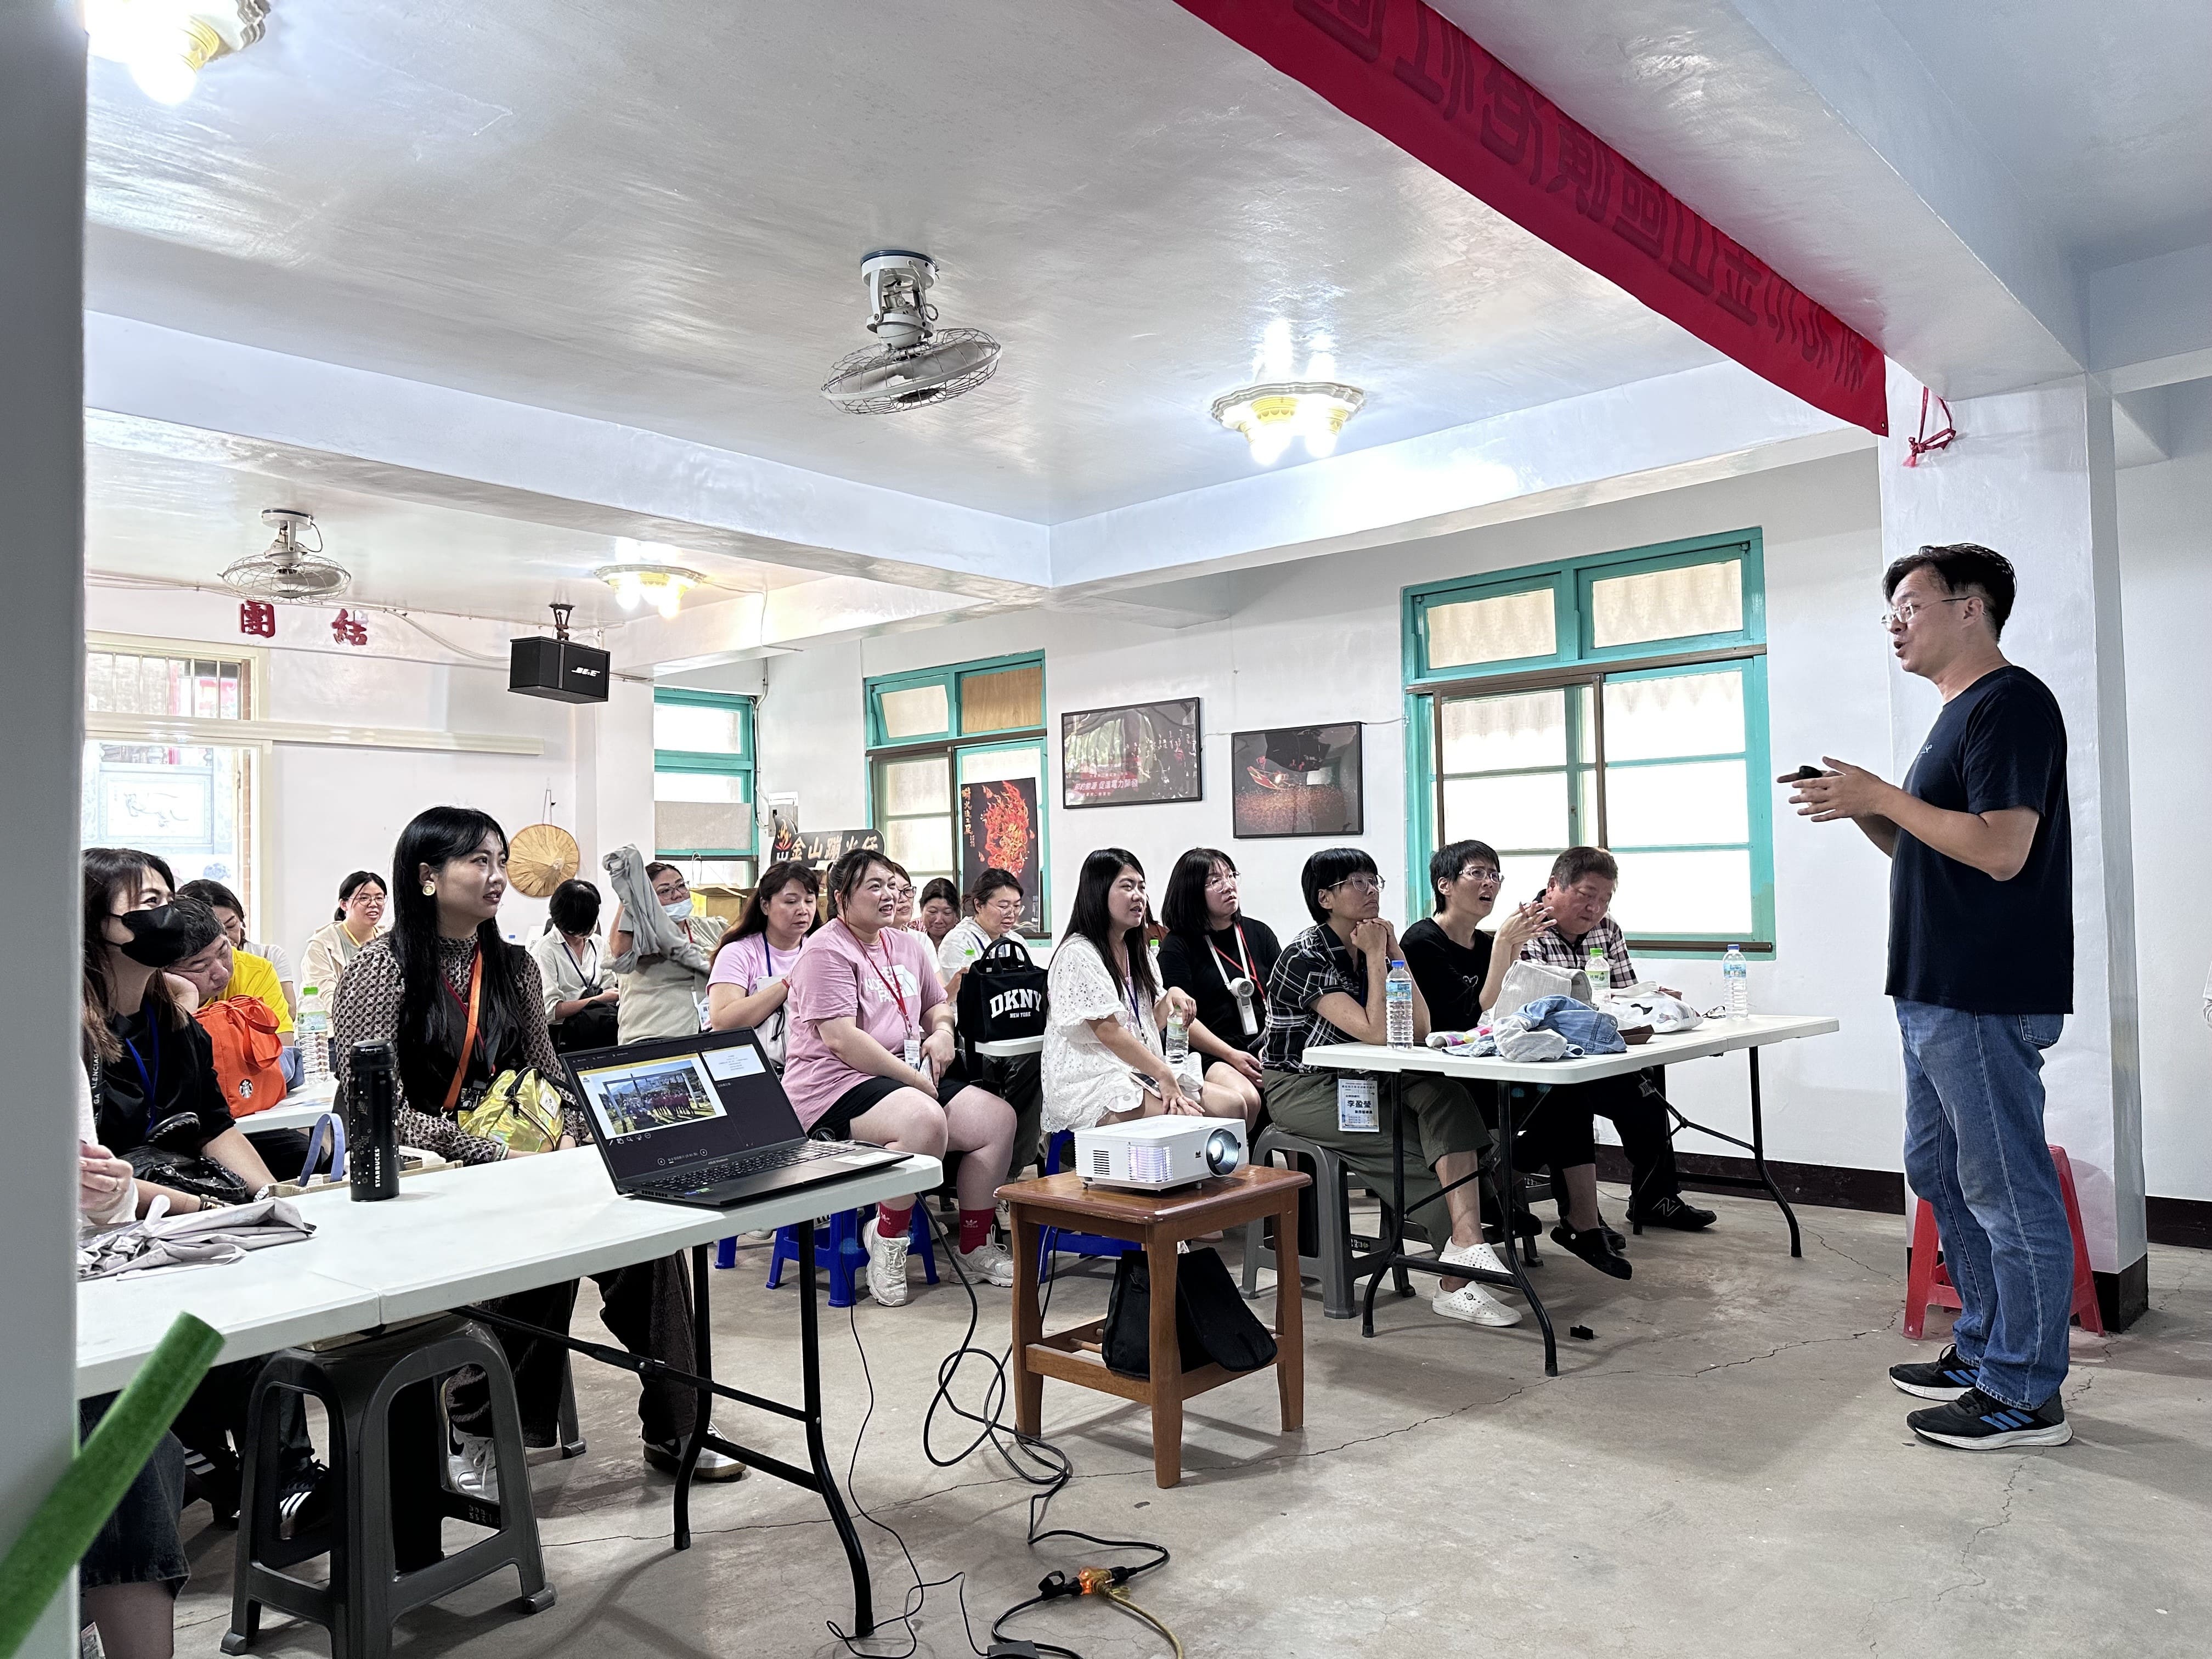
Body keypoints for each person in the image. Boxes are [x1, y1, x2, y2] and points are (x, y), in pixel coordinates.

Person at [331, 808, 738, 1485]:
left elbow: (549, 1073)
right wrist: (492, 1157)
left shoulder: (514, 966)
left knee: (648, 1240)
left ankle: (679, 1422)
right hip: (429, 1179)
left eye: (500, 861)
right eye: (479, 862)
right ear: (428, 876)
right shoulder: (380, 970)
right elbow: (380, 1112)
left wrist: (578, 1131)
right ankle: (480, 1426)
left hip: (526, 1163)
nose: (497, 877)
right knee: (537, 1248)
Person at [1788, 543, 2076, 1450]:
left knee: (2006, 1187)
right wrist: (1868, 809)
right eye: (1891, 612)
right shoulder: (1954, 717)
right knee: (1940, 1172)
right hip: (1931, 986)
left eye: (1910, 605)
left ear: (1971, 607)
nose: (1895, 625)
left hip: (1983, 988)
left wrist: (1883, 792)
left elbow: (2001, 850)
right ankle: (1985, 1346)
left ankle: (2025, 1393)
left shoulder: (2010, 702)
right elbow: (1932, 849)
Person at [1259, 848, 1520, 1326]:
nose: (1371, 890)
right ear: (1325, 898)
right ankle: (1456, 1281)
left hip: (1367, 1076)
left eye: (1373, 880)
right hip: (1303, 1087)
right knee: (1413, 1158)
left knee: (1447, 1094)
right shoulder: (1305, 955)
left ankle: (1466, 1245)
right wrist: (1378, 957)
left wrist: (1395, 952)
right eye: (1356, 882)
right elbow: (1377, 1031)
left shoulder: (1375, 942)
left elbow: (1418, 1028)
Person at [783, 847, 1020, 1305]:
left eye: (893, 886)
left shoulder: (907, 944)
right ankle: (888, 1238)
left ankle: (974, 1244)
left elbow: (936, 1005)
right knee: (924, 1121)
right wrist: (914, 1082)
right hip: (833, 1086)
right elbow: (842, 1040)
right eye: (875, 886)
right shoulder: (825, 951)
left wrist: (944, 1033)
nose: (889, 895)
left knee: (997, 1120)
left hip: (904, 1076)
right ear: (841, 897)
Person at [1402, 840, 1627, 1275]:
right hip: (1446, 1079)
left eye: (1495, 875)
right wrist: (1504, 945)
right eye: (1477, 873)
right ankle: (1493, 1192)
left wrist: (1506, 950)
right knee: (1556, 1105)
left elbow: (1507, 1012)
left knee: (1570, 1097)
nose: (1489, 883)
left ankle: (1580, 1223)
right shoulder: (1423, 941)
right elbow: (1470, 1016)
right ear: (1445, 885)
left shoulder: (1485, 943)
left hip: (1488, 1068)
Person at [1519, 847, 1717, 1235]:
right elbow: (1538, 1007)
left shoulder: (1607, 929)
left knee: (1648, 1094)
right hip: (1550, 1062)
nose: (1595, 908)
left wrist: (1652, 999)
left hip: (1600, 1053)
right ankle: (1580, 1218)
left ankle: (1655, 1199)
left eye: (1605, 899)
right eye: (1586, 895)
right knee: (1569, 1105)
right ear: (1554, 886)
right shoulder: (1527, 928)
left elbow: (1624, 995)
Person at [81, 848, 279, 1208]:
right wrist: (202, 1208)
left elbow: (215, 1128)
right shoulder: (68, 1039)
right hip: (113, 1223)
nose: (169, 915)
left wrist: (274, 1197)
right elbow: (86, 1176)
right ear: (95, 922)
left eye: (169, 900)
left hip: (188, 1210)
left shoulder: (180, 1027)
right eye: (151, 901)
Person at [1044, 850, 1260, 1138]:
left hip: (1139, 1069)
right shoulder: (1078, 953)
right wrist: (1163, 1073)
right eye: (1127, 886)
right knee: (1194, 1122)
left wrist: (1170, 999)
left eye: (1142, 887)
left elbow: (1149, 1022)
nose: (1139, 896)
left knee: (1235, 1106)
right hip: (1096, 1078)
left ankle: (1231, 1169)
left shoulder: (1137, 951)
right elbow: (1108, 1031)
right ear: (1098, 892)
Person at [1155, 847, 1276, 1126]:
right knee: (1248, 1097)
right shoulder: (1178, 946)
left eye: (1231, 875)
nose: (1229, 886)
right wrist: (1231, 1055)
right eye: (1215, 881)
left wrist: (1273, 1046)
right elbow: (1180, 1018)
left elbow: (1280, 999)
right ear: (1191, 892)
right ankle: (1240, 1155)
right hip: (1210, 1052)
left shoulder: (1258, 933)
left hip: (1262, 1046)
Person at [706, 860, 819, 1067]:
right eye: (791, 902)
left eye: (809, 901)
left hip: (811, 1066)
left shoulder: (822, 951)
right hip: (750, 1066)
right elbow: (723, 1022)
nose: (803, 910)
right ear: (765, 906)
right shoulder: (738, 953)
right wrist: (787, 984)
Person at [608, 860, 718, 1043]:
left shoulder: (709, 927)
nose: (678, 895)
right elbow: (621, 952)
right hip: (653, 1037)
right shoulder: (640, 935)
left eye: (681, 886)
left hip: (705, 1033)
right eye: (665, 891)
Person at [179, 877, 296, 1022]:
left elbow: (283, 1026)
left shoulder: (259, 967)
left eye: (231, 926)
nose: (222, 972)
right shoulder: (160, 988)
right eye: (201, 966)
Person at [528, 877, 621, 1053]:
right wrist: (598, 999)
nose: (594, 924)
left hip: (601, 1028)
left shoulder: (598, 943)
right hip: (564, 1038)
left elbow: (609, 986)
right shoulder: (545, 951)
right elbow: (551, 1011)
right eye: (589, 920)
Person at [937, 866, 1030, 1000]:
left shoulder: (1017, 942)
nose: (1011, 914)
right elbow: (958, 998)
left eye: (1016, 906)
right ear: (979, 905)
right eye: (1003, 906)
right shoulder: (957, 942)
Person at [299, 870, 388, 998]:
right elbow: (325, 996)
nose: (374, 904)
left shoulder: (389, 941)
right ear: (344, 904)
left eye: (379, 898)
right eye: (364, 898)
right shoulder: (322, 945)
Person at [916, 877, 962, 951]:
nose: (939, 920)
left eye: (947, 913)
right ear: (921, 909)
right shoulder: (910, 932)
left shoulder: (965, 937)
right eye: (932, 912)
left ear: (956, 913)